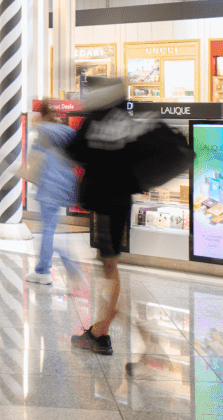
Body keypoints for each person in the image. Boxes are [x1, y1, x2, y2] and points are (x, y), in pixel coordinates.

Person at [64, 78, 147, 356]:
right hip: (122, 201)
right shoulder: (126, 121)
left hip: (103, 202)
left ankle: (102, 333)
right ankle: (101, 330)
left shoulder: (96, 120)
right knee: (108, 264)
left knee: (108, 266)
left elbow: (74, 150)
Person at [25, 101, 79, 286]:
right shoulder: (68, 132)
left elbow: (35, 158)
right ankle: (45, 268)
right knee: (51, 227)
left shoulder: (44, 131)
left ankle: (46, 270)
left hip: (48, 186)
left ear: (41, 113)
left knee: (47, 229)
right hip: (64, 186)